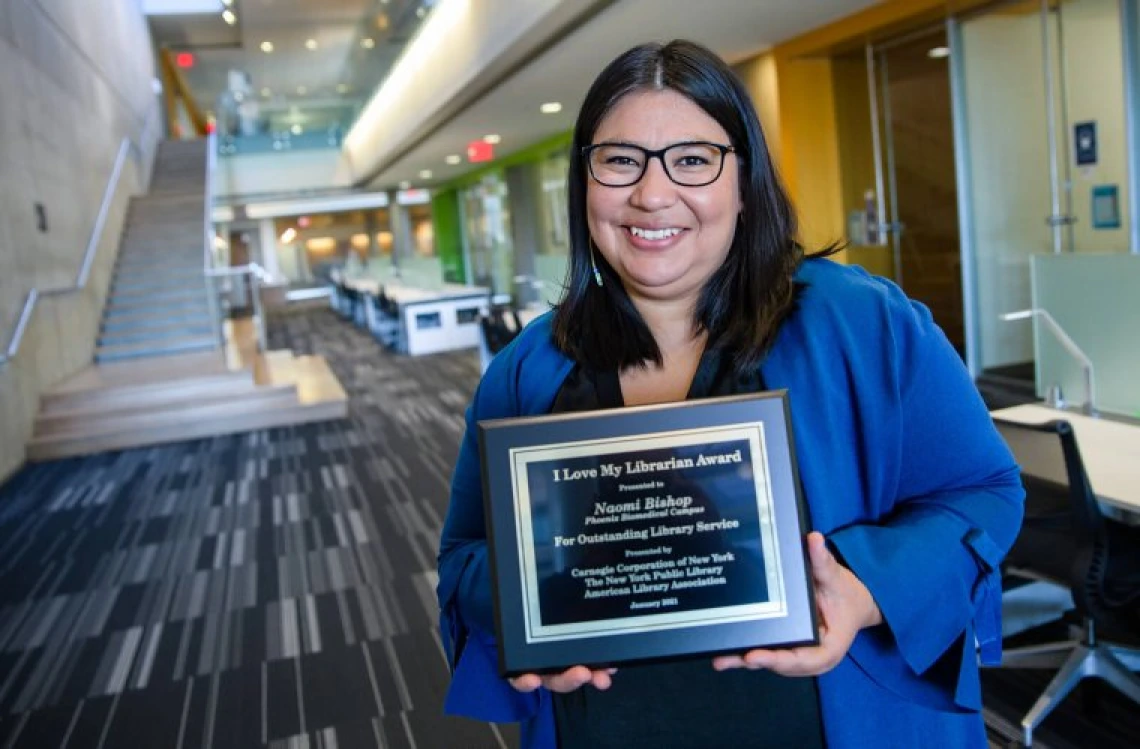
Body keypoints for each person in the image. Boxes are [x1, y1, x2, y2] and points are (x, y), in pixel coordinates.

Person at [436, 39, 1024, 748]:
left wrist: (867, 590)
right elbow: (466, 555)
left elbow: (985, 492)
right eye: (620, 160)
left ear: (743, 182)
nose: (653, 194)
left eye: (692, 159)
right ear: (584, 181)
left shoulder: (861, 323)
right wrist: (529, 612)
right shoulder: (527, 370)